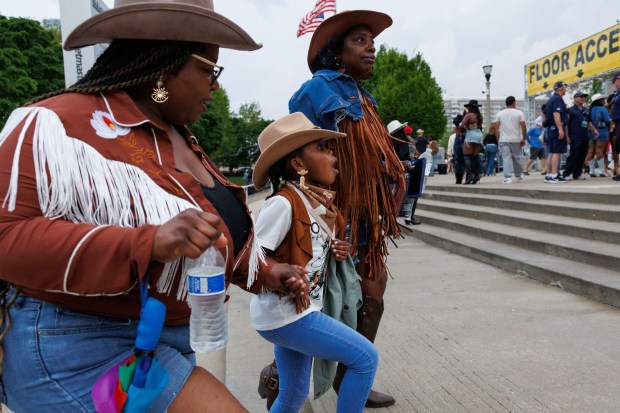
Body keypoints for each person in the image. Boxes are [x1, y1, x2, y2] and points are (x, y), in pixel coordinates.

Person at [0, 2, 308, 412]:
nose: (214, 85)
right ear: (165, 62)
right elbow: (7, 237)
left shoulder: (180, 137)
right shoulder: (54, 124)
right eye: (209, 69)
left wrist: (267, 273)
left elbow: (203, 236)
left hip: (158, 343)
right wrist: (147, 242)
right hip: (79, 346)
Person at [289, 10, 404, 408]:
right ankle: (279, 375)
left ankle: (350, 372)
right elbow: (295, 151)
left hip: (366, 216)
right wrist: (313, 207)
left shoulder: (365, 96)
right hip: (331, 216)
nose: (371, 47)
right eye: (359, 40)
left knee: (373, 293)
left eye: (373, 42)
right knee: (320, 300)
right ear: (336, 51)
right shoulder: (315, 90)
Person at [250, 113, 378, 413]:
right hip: (289, 315)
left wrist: (337, 250)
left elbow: (311, 251)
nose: (332, 154)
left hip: (293, 314)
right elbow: (252, 260)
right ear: (298, 165)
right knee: (365, 358)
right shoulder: (282, 204)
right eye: (322, 147)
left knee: (293, 395)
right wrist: (283, 275)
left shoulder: (313, 203)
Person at [544, 81, 570, 183]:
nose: (566, 89)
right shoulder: (558, 99)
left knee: (551, 152)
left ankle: (549, 175)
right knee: (556, 153)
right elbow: (556, 114)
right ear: (561, 88)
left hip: (551, 128)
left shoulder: (551, 99)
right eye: (565, 87)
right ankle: (554, 175)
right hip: (556, 128)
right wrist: (560, 129)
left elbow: (546, 114)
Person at [496, 96, 526, 184]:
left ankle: (507, 177)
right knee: (517, 157)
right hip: (516, 139)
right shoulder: (519, 113)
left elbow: (496, 127)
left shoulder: (500, 114)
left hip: (503, 139)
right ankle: (518, 174)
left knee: (506, 158)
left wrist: (498, 139)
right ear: (514, 102)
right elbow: (523, 126)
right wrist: (523, 138)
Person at [459, 100, 484, 184]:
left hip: (470, 135)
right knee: (475, 157)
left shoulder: (468, 115)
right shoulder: (479, 116)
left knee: (467, 156)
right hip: (478, 134)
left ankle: (469, 176)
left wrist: (462, 129)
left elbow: (461, 125)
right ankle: (476, 176)